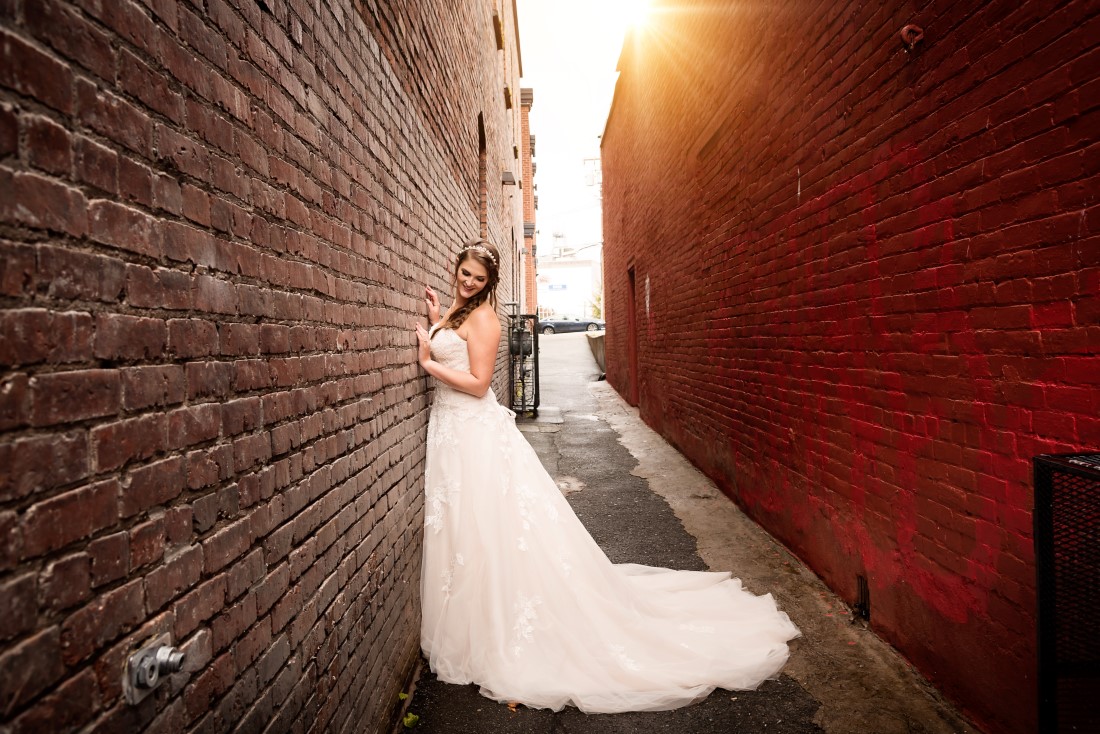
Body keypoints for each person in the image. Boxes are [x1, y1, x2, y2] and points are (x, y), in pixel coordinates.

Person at [413, 238, 800, 714]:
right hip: (453, 433)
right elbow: (455, 333)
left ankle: (501, 627)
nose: (467, 282)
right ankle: (472, 621)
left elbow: (476, 385)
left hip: (471, 430)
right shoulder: (459, 309)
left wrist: (428, 363)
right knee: (466, 529)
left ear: (490, 284)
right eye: (464, 273)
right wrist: (438, 315)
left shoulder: (487, 319)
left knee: (491, 528)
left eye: (477, 278)